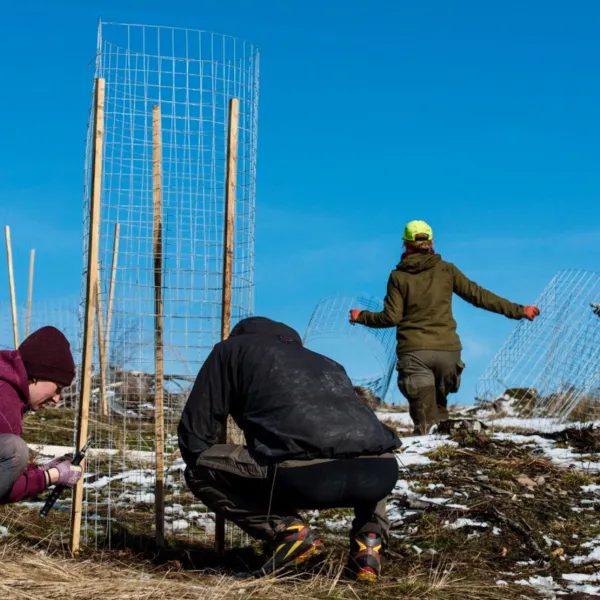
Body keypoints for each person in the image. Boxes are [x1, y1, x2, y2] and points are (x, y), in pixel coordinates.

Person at [178, 317, 401, 581]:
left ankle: (290, 532)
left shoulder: (230, 350)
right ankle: (369, 546)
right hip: (381, 473)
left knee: (199, 470)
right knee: (369, 451)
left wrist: (212, 461)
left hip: (306, 477)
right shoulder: (327, 361)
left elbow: (197, 428)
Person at [349, 220, 541, 435]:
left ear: (405, 243)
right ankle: (445, 454)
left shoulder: (398, 277)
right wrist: (519, 310)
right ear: (431, 241)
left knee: (424, 424)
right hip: (448, 354)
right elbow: (479, 296)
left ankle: (428, 460)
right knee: (439, 413)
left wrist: (361, 316)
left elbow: (391, 317)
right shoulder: (446, 270)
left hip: (415, 353)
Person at [0, 326, 82, 504]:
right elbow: (7, 488)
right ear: (37, 375)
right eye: (58, 388)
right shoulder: (4, 399)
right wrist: (51, 476)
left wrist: (39, 470)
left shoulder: (7, 388)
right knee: (15, 449)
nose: (57, 398)